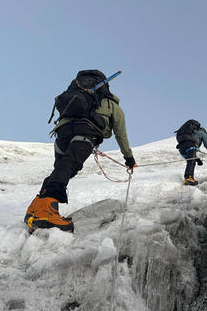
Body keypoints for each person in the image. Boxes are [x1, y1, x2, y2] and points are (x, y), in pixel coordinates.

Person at [24, 70, 137, 233]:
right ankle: (45, 213)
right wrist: (129, 159)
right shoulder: (111, 105)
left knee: (61, 168)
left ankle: (35, 208)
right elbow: (121, 134)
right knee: (70, 165)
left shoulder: (78, 97)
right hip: (85, 133)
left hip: (62, 132)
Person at [175, 120, 207, 186]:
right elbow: (206, 144)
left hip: (182, 148)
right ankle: (188, 177)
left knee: (191, 160)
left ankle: (189, 178)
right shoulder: (202, 133)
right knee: (191, 161)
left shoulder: (190, 134)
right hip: (190, 146)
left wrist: (197, 159)